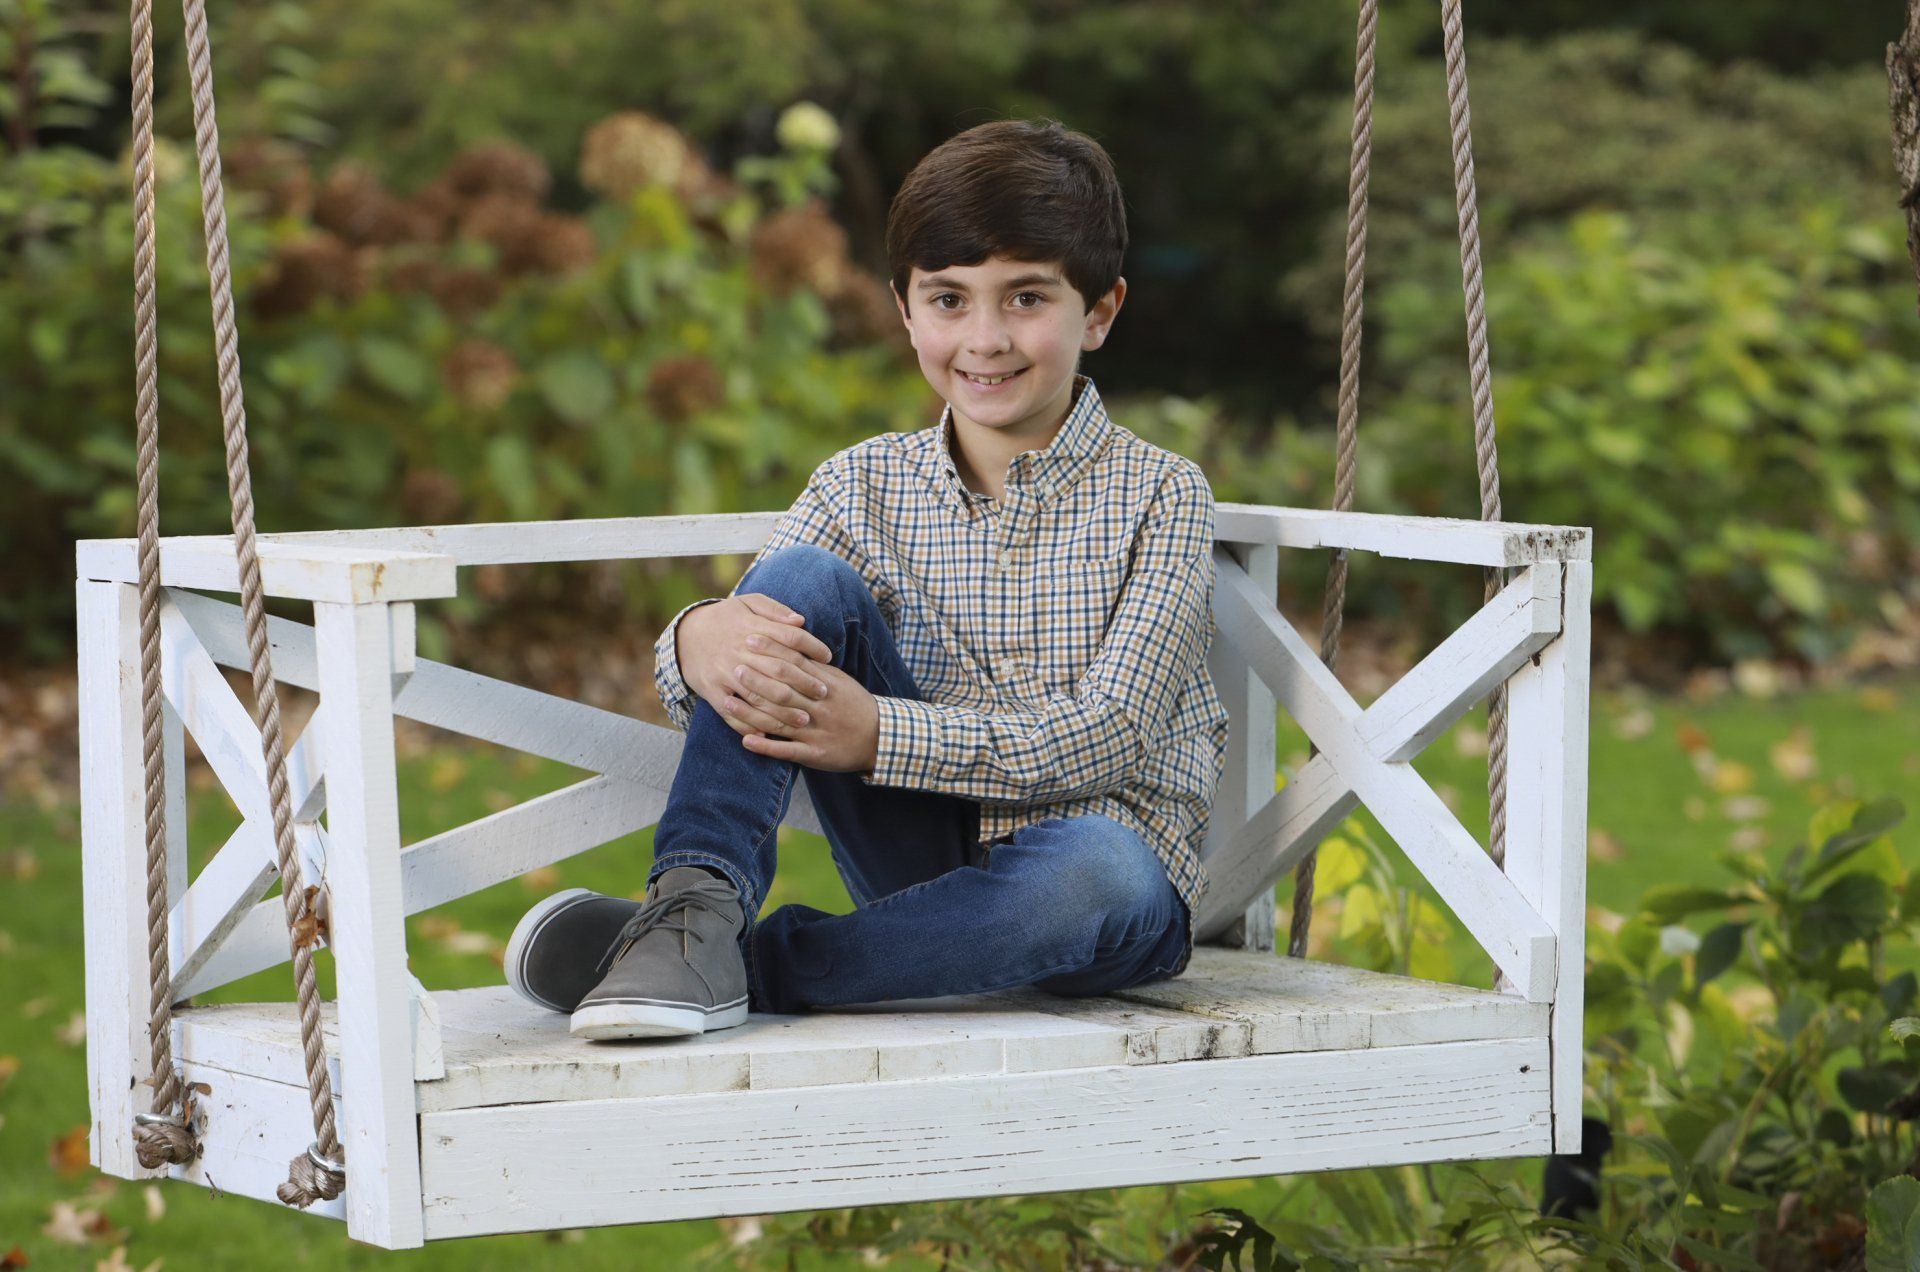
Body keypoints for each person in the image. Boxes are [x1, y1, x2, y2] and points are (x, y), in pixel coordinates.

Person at [503, 117, 1229, 1041]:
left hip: (1097, 900)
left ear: (1100, 310)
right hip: (914, 862)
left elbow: (1112, 738)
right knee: (795, 580)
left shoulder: (1163, 493)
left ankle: (737, 967)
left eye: (1026, 298)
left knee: (1096, 865)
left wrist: (880, 733)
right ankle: (696, 909)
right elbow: (735, 694)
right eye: (949, 299)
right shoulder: (860, 484)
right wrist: (692, 640)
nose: (986, 338)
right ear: (904, 308)